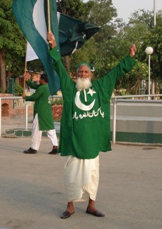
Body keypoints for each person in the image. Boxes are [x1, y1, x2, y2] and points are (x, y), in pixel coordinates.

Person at [47, 32, 137, 219]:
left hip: (92, 142)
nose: (83, 74)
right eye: (80, 72)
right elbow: (58, 67)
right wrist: (53, 46)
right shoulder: (70, 88)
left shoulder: (100, 88)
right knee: (71, 176)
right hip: (74, 142)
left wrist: (129, 58)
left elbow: (115, 72)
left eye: (86, 72)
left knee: (93, 176)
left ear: (91, 74)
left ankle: (91, 206)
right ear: (76, 75)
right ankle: (70, 207)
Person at [22, 73, 58, 155]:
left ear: (43, 80)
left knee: (36, 130)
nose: (39, 80)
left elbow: (34, 96)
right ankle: (55, 146)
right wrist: (27, 80)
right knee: (50, 129)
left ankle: (34, 148)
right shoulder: (48, 87)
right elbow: (35, 86)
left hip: (40, 112)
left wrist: (26, 97)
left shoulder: (42, 88)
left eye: (40, 79)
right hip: (47, 111)